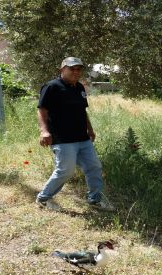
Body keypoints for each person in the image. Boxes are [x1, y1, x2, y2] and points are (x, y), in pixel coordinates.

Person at [35, 57, 115, 212]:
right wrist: (44, 131)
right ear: (62, 69)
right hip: (62, 138)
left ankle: (95, 200)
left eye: (78, 69)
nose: (76, 72)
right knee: (66, 170)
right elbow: (42, 110)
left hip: (82, 138)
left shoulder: (79, 87)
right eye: (72, 68)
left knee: (94, 167)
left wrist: (90, 129)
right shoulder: (51, 87)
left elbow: (82, 111)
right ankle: (43, 198)